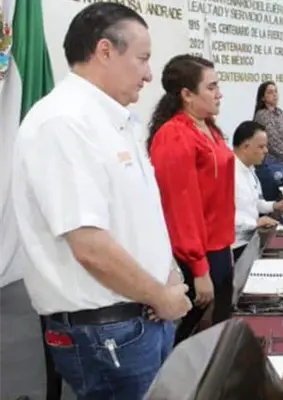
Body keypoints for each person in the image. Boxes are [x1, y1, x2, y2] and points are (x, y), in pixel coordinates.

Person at [11, 3, 191, 398]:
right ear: (105, 51)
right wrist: (160, 295)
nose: (148, 75)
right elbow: (89, 246)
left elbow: (138, 217)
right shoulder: (63, 122)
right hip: (107, 331)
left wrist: (170, 275)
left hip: (141, 316)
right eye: (142, 59)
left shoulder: (118, 121)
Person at [147, 54, 235, 344]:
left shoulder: (210, 128)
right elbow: (181, 208)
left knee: (214, 334)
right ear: (186, 94)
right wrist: (199, 268)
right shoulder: (174, 135)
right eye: (211, 87)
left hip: (220, 248)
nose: (219, 93)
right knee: (189, 338)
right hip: (195, 257)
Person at [231, 121, 283, 262]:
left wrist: (273, 206)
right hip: (236, 246)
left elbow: (255, 202)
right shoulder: (229, 173)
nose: (266, 151)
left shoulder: (249, 170)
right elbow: (222, 217)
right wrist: (255, 222)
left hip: (252, 239)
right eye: (261, 146)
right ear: (246, 146)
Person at [253, 81, 283, 200]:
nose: (275, 95)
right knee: (275, 201)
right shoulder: (262, 115)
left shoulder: (279, 112)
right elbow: (273, 143)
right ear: (263, 97)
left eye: (276, 91)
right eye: (270, 92)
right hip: (271, 164)